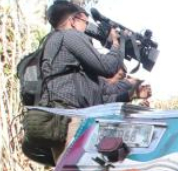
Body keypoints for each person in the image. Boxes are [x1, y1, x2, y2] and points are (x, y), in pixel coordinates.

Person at [39, 2, 125, 161]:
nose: (88, 29)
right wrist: (116, 44)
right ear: (73, 20)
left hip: (57, 118)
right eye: (86, 23)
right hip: (73, 117)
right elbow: (107, 67)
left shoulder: (49, 41)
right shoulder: (71, 35)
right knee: (76, 169)